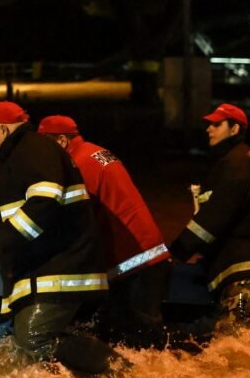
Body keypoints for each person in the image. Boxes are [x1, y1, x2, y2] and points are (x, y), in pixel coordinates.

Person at [0, 101, 122, 378]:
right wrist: (1, 251)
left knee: (33, 339)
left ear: (4, 129)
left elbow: (45, 202)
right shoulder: (29, 154)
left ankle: (122, 372)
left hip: (58, 269)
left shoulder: (32, 150)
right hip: (47, 268)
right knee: (27, 346)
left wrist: (3, 240)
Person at [37, 114, 170, 349]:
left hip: (132, 260)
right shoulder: (95, 152)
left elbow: (72, 217)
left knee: (139, 338)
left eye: (45, 146)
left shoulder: (78, 164)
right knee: (138, 338)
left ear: (61, 141)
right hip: (146, 252)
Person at [168, 103, 250, 333]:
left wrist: (176, 253)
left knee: (237, 332)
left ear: (234, 129)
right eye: (208, 125)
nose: (209, 129)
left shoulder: (237, 165)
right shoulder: (236, 161)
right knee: (245, 330)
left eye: (217, 124)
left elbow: (213, 218)